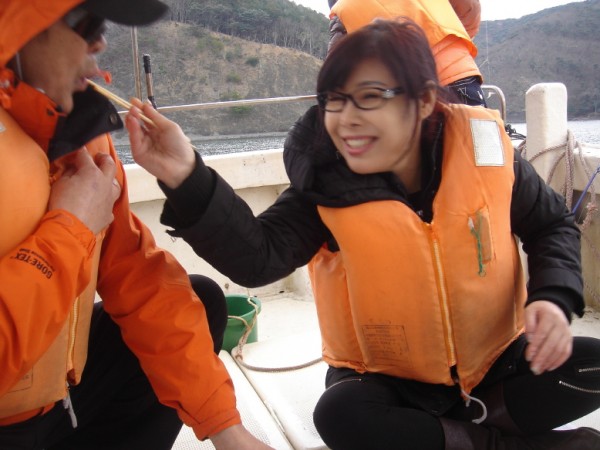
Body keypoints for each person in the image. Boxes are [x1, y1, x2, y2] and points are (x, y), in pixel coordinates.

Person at [127, 18, 600, 450]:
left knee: (592, 365)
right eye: (334, 99)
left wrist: (553, 298)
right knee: (341, 415)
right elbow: (259, 257)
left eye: (371, 97)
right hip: (388, 384)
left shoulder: (486, 151)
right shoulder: (326, 179)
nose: (347, 118)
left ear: (424, 101)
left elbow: (550, 224)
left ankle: (453, 433)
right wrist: (185, 174)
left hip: (494, 364)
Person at [0, 1, 274, 449]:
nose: (100, 42)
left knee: (200, 298)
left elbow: (138, 279)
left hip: (62, 402)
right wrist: (71, 228)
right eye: (86, 22)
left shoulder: (79, 138)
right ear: (16, 28)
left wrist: (226, 427)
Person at [328, 0, 487, 107]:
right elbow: (469, 8)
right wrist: (456, 31)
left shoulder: (344, 10)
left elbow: (334, 73)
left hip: (399, 93)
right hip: (452, 68)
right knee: (478, 141)